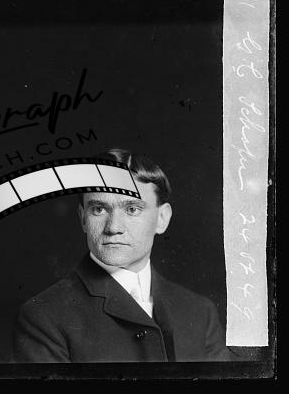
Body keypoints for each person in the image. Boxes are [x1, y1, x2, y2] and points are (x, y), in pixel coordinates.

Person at [14, 148, 231, 362]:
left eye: (132, 209)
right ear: (83, 218)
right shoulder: (44, 316)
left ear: (162, 218)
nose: (113, 227)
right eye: (99, 209)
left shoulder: (200, 312)